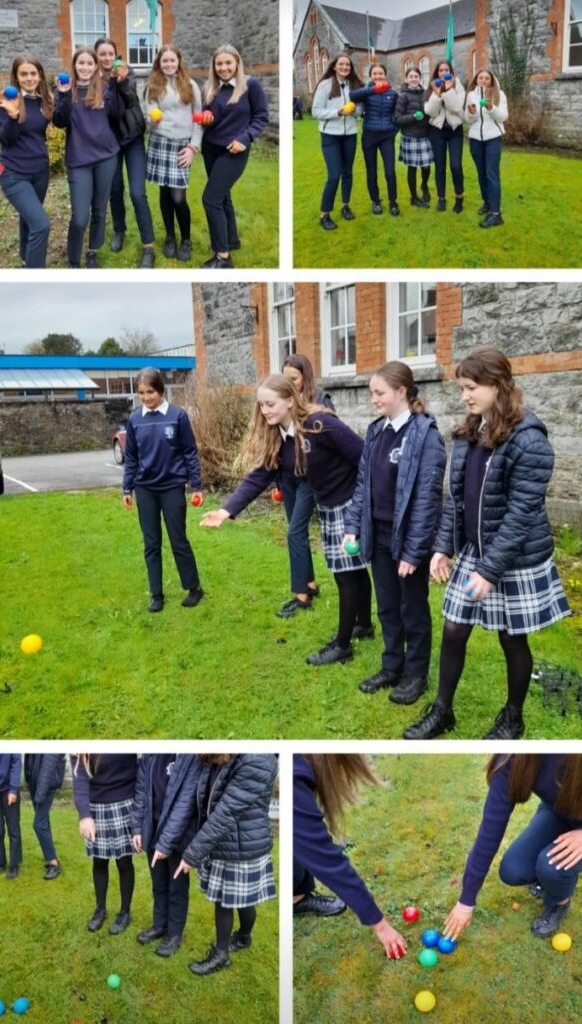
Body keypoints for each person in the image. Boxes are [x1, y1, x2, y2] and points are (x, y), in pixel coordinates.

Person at [404, 347, 570, 741]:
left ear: (498, 385)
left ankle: (513, 718)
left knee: (512, 638)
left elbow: (521, 514)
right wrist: (442, 547)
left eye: (471, 387)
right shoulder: (469, 433)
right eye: (462, 388)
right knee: (454, 628)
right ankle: (442, 711)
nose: (465, 396)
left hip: (514, 558)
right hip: (475, 552)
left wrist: (489, 571)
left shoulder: (529, 441)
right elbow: (456, 500)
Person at [200, 375, 374, 666]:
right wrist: (225, 511)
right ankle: (364, 625)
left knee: (345, 575)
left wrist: (363, 502)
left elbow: (364, 455)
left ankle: (343, 645)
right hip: (328, 504)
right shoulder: (278, 436)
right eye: (262, 405)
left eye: (271, 404)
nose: (265, 410)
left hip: (348, 503)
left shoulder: (320, 425)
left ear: (291, 400)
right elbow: (260, 476)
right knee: (353, 570)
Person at [344, 361, 446, 704]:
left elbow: (428, 499)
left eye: (379, 392)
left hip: (409, 539)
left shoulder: (425, 435)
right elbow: (363, 485)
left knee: (412, 610)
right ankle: (392, 666)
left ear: (402, 391)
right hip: (378, 535)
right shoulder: (376, 431)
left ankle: (416, 675)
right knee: (387, 606)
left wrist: (414, 553)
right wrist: (352, 527)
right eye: (372, 392)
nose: (373, 399)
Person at [443, 755, 582, 942]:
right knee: (513, 870)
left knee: (552, 866)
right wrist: (466, 901)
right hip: (560, 813)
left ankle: (559, 903)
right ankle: (550, 879)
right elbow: (490, 831)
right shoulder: (513, 759)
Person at [171, 754, 278, 975]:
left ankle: (221, 955)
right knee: (242, 900)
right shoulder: (221, 758)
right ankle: (244, 938)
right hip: (226, 841)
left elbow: (225, 814)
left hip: (242, 845)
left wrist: (192, 854)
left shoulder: (257, 760)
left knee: (226, 902)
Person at [293, 754, 408, 958]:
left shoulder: (295, 772)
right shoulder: (292, 780)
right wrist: (380, 925)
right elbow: (327, 862)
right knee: (300, 840)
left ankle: (297, 897)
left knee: (298, 840)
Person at [122, 367, 204, 613]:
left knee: (178, 540)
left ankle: (193, 588)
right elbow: (131, 456)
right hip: (145, 489)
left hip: (172, 487)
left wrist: (196, 485)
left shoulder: (178, 416)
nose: (146, 397)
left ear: (160, 390)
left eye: (150, 392)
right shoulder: (135, 419)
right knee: (151, 543)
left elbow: (189, 452)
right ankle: (156, 595)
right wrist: (127, 488)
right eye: (141, 393)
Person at [52, 47, 128, 268]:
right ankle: (73, 260)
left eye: (89, 63)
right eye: (81, 63)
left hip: (106, 157)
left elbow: (117, 113)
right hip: (79, 160)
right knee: (79, 217)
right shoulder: (67, 89)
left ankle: (93, 250)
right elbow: (59, 122)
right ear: (74, 65)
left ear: (96, 67)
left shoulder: (103, 88)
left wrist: (117, 84)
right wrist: (64, 95)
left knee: (99, 210)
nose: (85, 67)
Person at [274, 354, 334, 618]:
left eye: (294, 379)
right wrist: (275, 480)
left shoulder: (320, 402)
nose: (289, 383)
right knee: (296, 532)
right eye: (285, 378)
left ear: (305, 377)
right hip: (287, 477)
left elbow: (331, 439)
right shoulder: (280, 403)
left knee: (294, 532)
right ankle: (309, 583)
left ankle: (301, 596)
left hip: (310, 478)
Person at [200, 45, 269, 268]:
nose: (223, 68)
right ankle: (231, 241)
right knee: (223, 197)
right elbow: (207, 116)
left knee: (210, 199)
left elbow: (261, 116)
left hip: (234, 150)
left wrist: (245, 138)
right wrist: (206, 117)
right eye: (219, 64)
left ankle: (223, 257)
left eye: (228, 63)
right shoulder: (209, 88)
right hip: (211, 148)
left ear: (237, 63)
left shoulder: (250, 86)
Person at [131, 754, 201, 957]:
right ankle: (159, 925)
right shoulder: (150, 756)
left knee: (177, 888)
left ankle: (174, 934)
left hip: (179, 836)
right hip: (153, 831)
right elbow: (141, 794)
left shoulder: (190, 757)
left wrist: (165, 844)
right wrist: (137, 828)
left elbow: (184, 805)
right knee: (159, 884)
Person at [95, 38, 155, 268]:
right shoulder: (94, 79)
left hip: (132, 138)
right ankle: (119, 231)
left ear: (116, 55)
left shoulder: (125, 72)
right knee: (115, 189)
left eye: (110, 53)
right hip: (109, 143)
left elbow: (131, 101)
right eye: (102, 54)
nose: (106, 58)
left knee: (137, 193)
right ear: (97, 56)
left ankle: (148, 246)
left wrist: (120, 83)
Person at [143, 45, 203, 263]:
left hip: (182, 146)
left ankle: (186, 240)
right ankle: (170, 237)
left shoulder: (190, 85)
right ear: (159, 63)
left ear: (179, 61)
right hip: (160, 142)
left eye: (172, 60)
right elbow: (149, 118)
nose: (168, 64)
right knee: (165, 193)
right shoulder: (152, 86)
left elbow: (198, 118)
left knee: (178, 198)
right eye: (164, 61)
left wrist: (193, 147)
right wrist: (153, 119)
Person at [0, 55, 52, 268]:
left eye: (33, 73)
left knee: (30, 219)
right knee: (41, 225)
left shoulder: (43, 100)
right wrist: (13, 115)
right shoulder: (4, 101)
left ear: (40, 75)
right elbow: (6, 140)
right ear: (16, 77)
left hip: (40, 171)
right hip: (14, 173)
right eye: (23, 74)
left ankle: (27, 260)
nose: (29, 78)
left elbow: (39, 134)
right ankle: (34, 277)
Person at [72, 753, 138, 934]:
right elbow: (80, 777)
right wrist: (84, 815)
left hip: (124, 802)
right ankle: (100, 909)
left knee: (124, 862)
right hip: (95, 805)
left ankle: (125, 912)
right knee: (99, 861)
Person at [311, 52, 364, 230]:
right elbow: (316, 111)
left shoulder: (354, 86)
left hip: (350, 134)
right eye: (341, 64)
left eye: (347, 65)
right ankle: (324, 214)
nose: (344, 67)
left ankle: (345, 206)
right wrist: (338, 112)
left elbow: (359, 111)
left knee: (347, 172)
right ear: (334, 66)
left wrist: (354, 111)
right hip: (330, 135)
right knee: (334, 175)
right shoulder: (325, 85)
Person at [349, 63, 399, 216]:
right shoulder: (366, 91)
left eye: (380, 73)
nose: (378, 76)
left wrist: (393, 131)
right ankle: (375, 201)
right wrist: (372, 89)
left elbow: (398, 115)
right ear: (371, 76)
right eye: (375, 73)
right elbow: (352, 96)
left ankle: (393, 202)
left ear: (385, 75)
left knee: (390, 171)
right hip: (369, 136)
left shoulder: (393, 93)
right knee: (371, 172)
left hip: (387, 137)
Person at [465, 68, 508, 228]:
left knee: (491, 175)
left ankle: (496, 215)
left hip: (492, 139)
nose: (483, 80)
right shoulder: (471, 95)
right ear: (476, 80)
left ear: (491, 80)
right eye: (480, 78)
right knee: (481, 174)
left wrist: (491, 108)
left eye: (487, 78)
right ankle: (487, 203)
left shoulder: (499, 94)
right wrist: (472, 113)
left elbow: (503, 117)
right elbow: (468, 120)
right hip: (475, 139)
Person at [424, 59, 465, 213]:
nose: (443, 73)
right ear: (437, 73)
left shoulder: (457, 85)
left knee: (455, 166)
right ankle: (441, 198)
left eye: (446, 70)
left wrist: (448, 91)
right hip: (437, 131)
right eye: (440, 70)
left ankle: (459, 198)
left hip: (455, 130)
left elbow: (456, 107)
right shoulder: (432, 86)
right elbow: (430, 112)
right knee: (440, 167)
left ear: (450, 72)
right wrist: (436, 94)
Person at [394, 67, 433, 209]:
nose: (413, 79)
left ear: (420, 78)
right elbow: (397, 119)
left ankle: (424, 185)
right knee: (412, 168)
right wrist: (413, 116)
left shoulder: (426, 94)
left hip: (425, 135)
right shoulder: (402, 96)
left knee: (426, 166)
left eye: (416, 76)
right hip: (410, 136)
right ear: (406, 79)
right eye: (410, 76)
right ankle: (414, 198)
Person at [23, 754, 65, 879]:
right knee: (43, 822)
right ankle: (51, 857)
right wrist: (29, 778)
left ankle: (54, 863)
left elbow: (48, 765)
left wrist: (40, 794)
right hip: (35, 782)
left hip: (46, 785)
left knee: (39, 824)